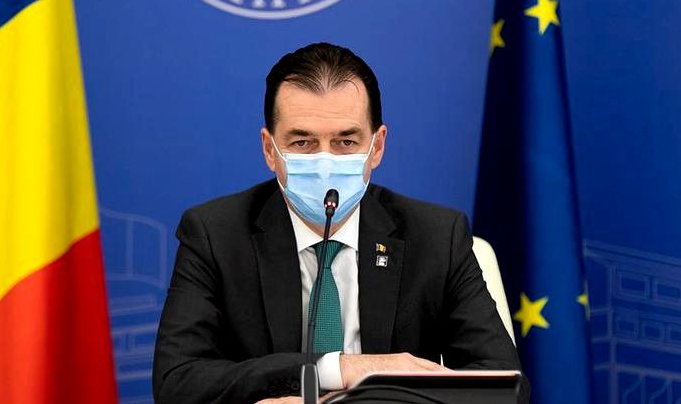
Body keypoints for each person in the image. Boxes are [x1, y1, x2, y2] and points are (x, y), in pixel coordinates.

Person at [152, 42, 528, 403]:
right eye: (302, 142)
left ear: (377, 146)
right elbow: (177, 383)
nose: (325, 162)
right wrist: (337, 369)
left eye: (346, 142)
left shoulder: (436, 237)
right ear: (269, 149)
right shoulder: (215, 235)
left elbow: (502, 384)